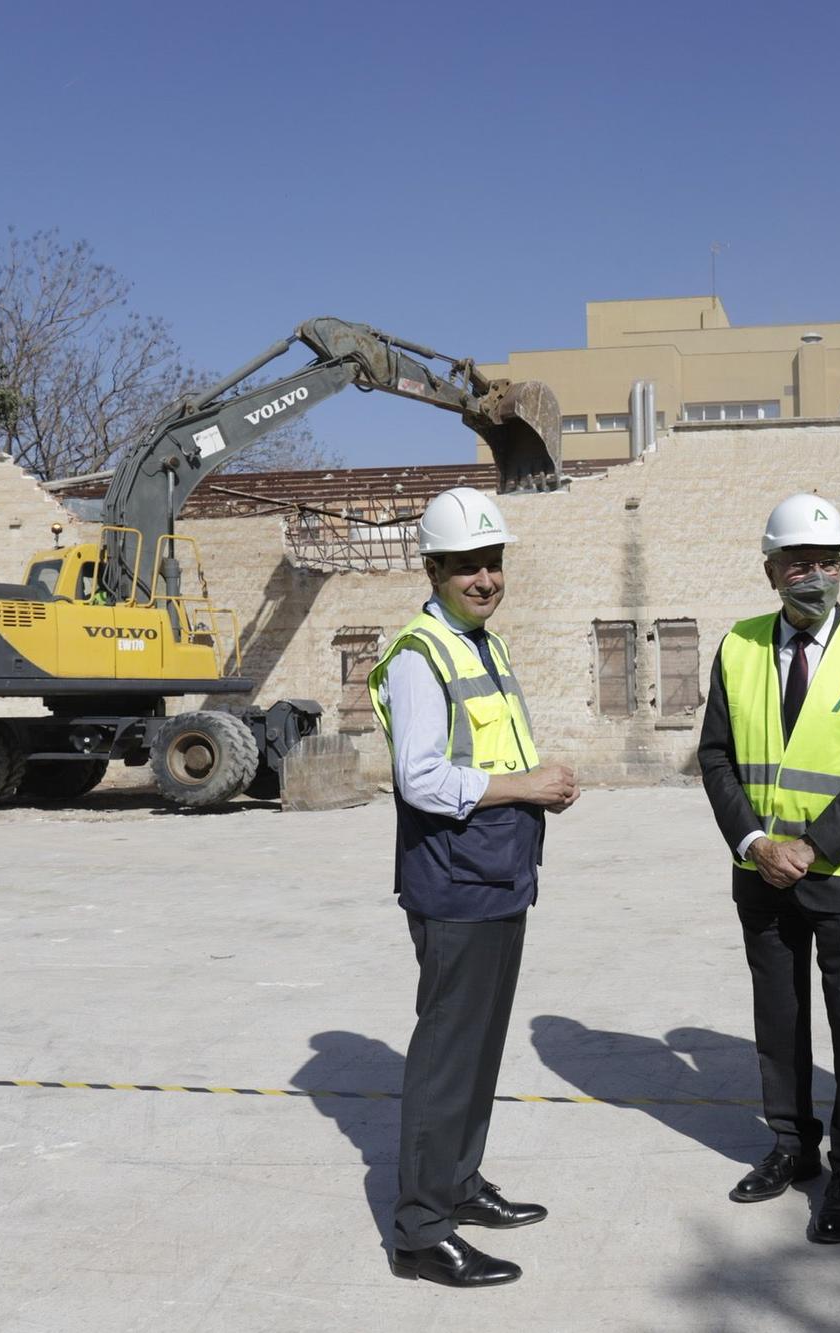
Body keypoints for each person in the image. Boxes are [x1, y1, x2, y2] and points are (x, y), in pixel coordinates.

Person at [364, 486, 579, 1289]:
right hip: (454, 883)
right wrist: (527, 785)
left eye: (493, 562)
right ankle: (421, 1229)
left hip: (496, 875)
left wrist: (531, 791)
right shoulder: (423, 654)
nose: (485, 578)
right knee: (446, 1058)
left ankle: (459, 1183)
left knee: (480, 1048)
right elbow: (421, 778)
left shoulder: (482, 642)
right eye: (467, 566)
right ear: (433, 568)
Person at [697, 493, 840, 1244]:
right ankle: (793, 1145)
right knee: (778, 1021)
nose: (814, 575)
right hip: (761, 873)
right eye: (799, 562)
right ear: (770, 569)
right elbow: (716, 756)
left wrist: (812, 847)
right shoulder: (737, 645)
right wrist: (758, 843)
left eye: (827, 562)